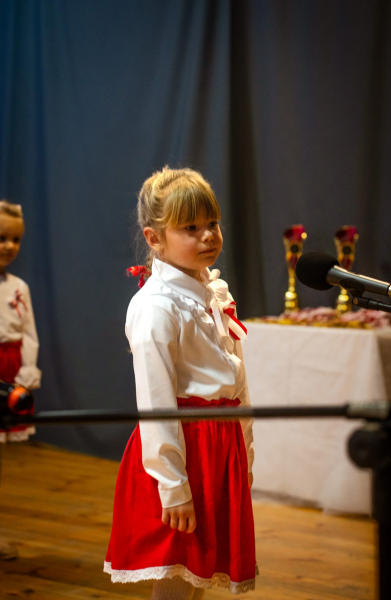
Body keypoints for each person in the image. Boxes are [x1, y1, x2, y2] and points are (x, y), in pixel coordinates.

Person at [104, 167, 256, 598]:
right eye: (191, 228)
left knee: (200, 575)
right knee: (176, 577)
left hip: (219, 446)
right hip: (185, 451)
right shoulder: (156, 307)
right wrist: (173, 486)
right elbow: (155, 402)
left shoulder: (211, 292)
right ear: (154, 239)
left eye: (213, 224)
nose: (208, 235)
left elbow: (235, 382)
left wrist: (244, 450)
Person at [0, 199, 41, 560]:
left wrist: (25, 377)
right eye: (1, 238)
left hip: (9, 375)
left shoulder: (19, 287)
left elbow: (28, 334)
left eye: (15, 240)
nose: (8, 246)